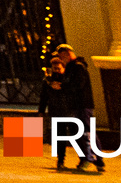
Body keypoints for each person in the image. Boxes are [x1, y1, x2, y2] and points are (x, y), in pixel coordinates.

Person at [42, 44, 103, 173]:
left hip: (82, 104)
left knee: (86, 132)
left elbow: (77, 85)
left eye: (61, 56)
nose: (61, 58)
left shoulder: (78, 68)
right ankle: (97, 160)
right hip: (76, 106)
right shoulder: (72, 68)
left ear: (67, 53)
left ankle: (89, 159)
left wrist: (62, 87)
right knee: (85, 132)